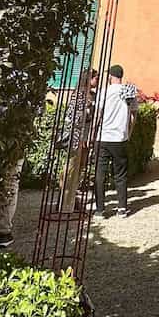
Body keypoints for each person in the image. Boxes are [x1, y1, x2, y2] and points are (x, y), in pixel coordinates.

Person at [94, 65, 137, 218]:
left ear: (110, 76)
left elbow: (98, 115)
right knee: (120, 174)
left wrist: (94, 133)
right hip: (119, 138)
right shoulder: (129, 91)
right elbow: (133, 115)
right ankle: (122, 208)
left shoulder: (103, 92)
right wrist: (128, 134)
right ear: (121, 76)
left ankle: (100, 209)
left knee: (100, 173)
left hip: (102, 137)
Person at [60, 68, 98, 212]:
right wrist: (82, 136)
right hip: (77, 139)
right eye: (96, 78)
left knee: (79, 168)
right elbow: (74, 119)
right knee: (71, 169)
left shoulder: (91, 95)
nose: (97, 81)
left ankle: (72, 198)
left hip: (85, 139)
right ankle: (66, 202)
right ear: (88, 79)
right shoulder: (79, 95)